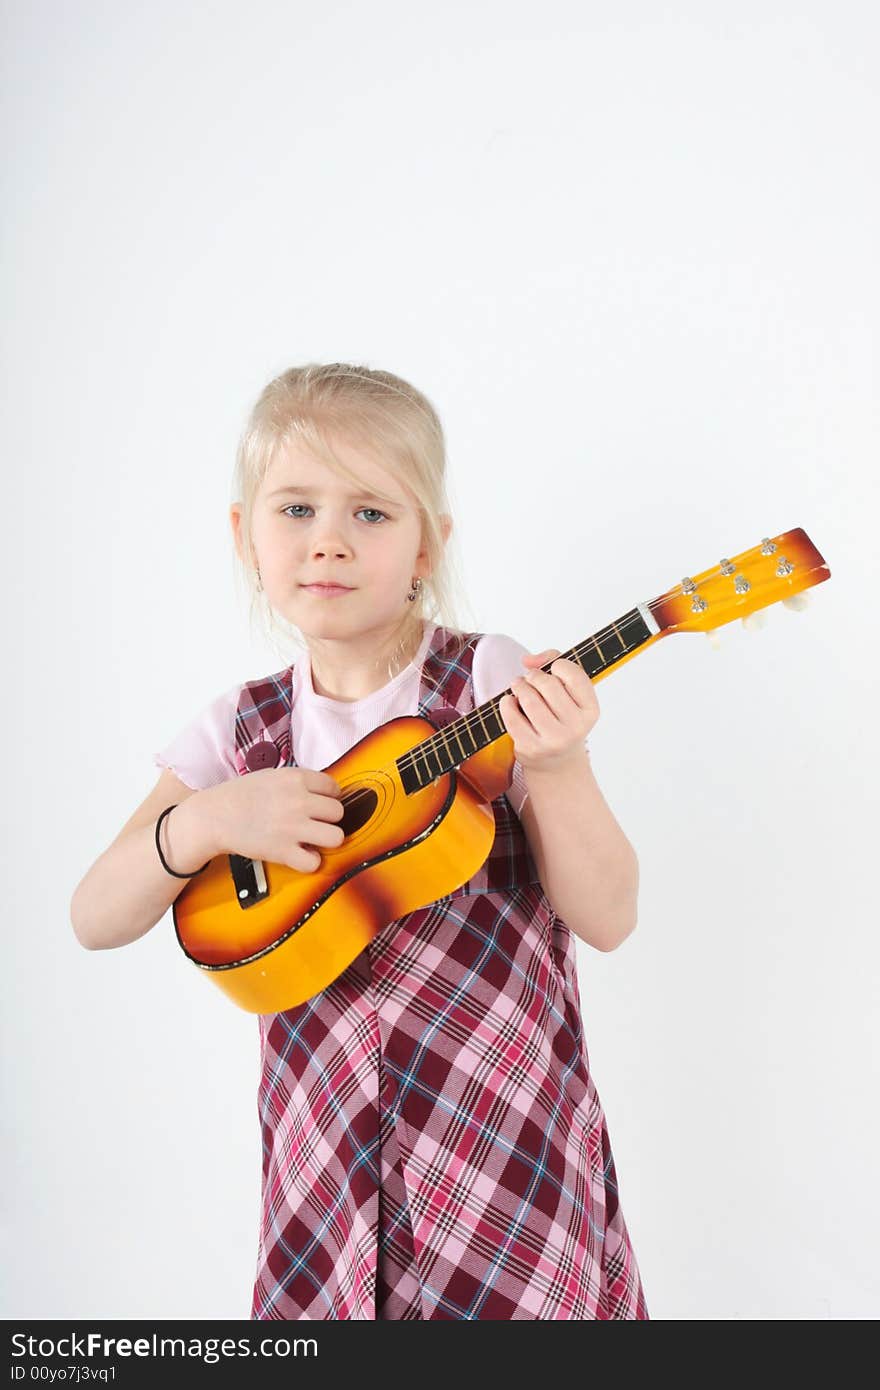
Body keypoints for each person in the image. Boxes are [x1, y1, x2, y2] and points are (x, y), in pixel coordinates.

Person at [70, 362, 649, 1320]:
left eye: (372, 514)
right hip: (324, 1170)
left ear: (429, 544)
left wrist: (558, 767)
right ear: (242, 533)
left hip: (499, 1151)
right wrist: (208, 820)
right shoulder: (239, 730)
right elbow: (94, 916)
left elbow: (611, 915)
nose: (328, 542)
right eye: (295, 509)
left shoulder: (489, 683)